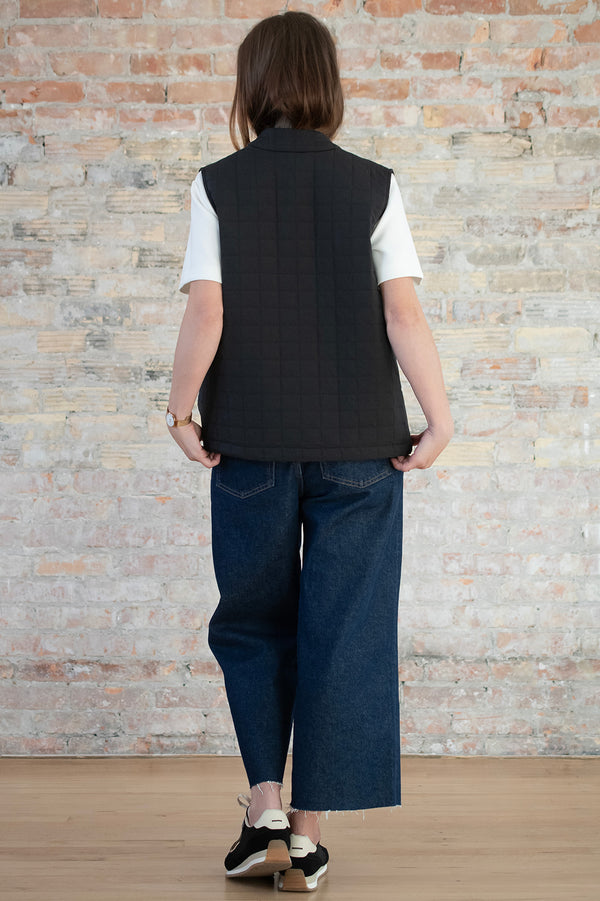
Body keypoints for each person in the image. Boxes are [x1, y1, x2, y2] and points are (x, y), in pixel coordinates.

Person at [166, 10, 453, 893]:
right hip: (362, 449)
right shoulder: (374, 185)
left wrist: (180, 409)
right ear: (328, 85)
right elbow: (402, 312)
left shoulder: (217, 185)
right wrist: (438, 416)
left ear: (251, 87)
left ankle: (262, 812)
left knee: (253, 621)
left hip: (247, 445)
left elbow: (207, 310)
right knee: (344, 629)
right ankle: (310, 836)